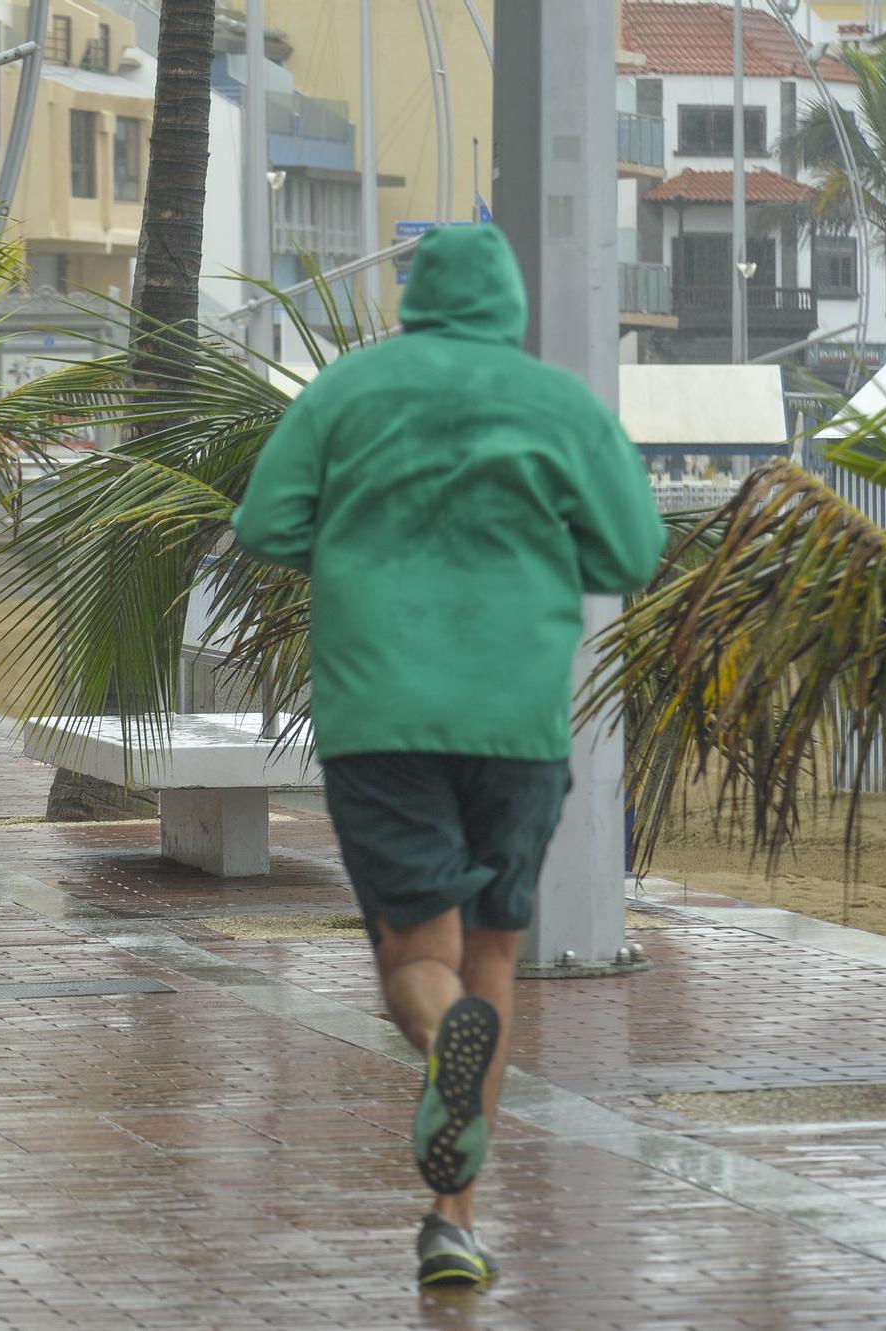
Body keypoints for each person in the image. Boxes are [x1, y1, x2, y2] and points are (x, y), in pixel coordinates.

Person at [230, 226, 665, 1291]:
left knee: (414, 956)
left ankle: (439, 1052)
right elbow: (631, 550)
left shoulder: (347, 390)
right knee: (492, 958)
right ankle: (451, 1221)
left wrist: (355, 544)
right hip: (513, 716)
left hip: (380, 708)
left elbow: (263, 522)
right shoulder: (557, 402)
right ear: (508, 300)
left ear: (412, 296)